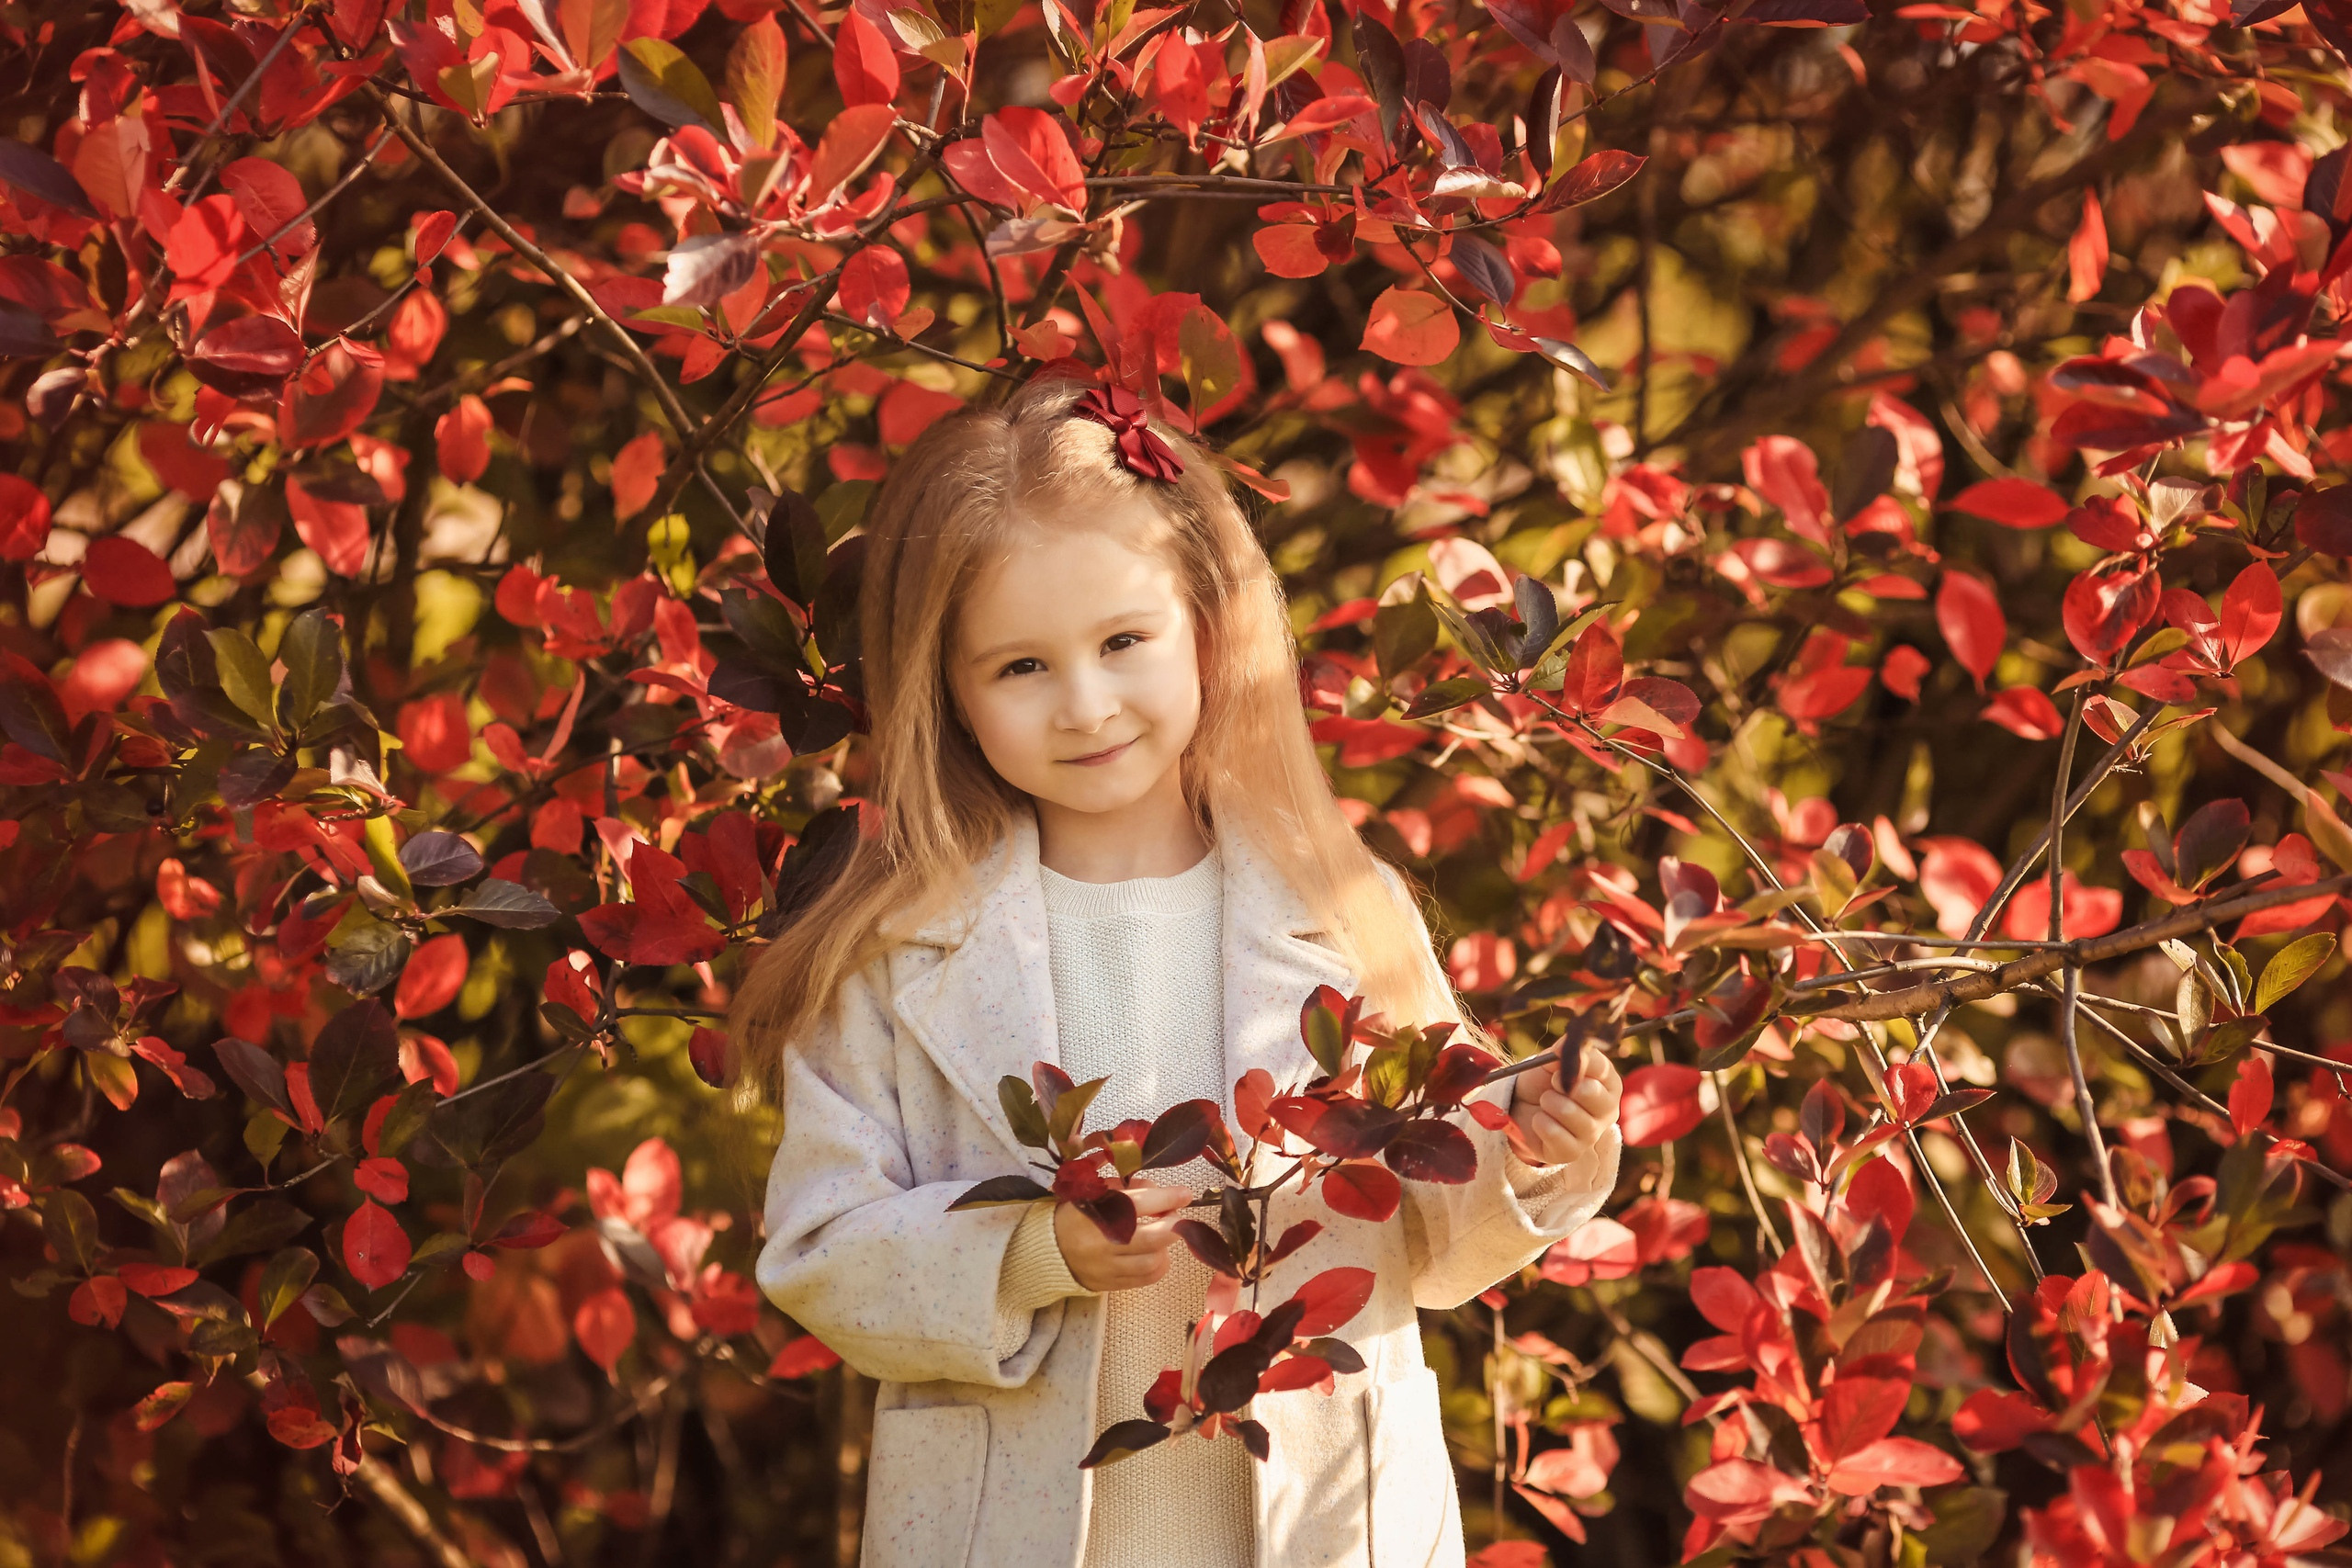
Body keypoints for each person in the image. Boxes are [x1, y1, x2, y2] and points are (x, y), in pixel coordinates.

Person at [741, 375, 1623, 1568]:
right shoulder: (897, 956)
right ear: (942, 686)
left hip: (1316, 1524)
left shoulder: (1340, 909)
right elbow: (821, 1250)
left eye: (1122, 642)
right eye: (1020, 668)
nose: (1086, 703)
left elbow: (1432, 1233)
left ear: (1207, 624)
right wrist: (1032, 1252)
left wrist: (1538, 1151)